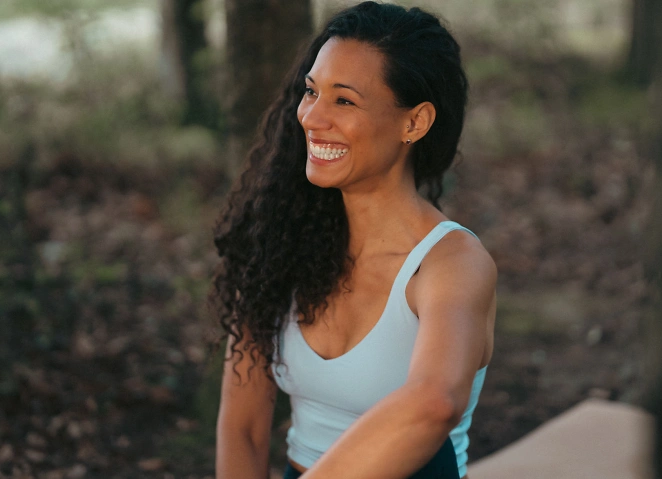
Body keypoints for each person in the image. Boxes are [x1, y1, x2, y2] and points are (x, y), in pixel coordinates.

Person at [212, 2, 496, 478]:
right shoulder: (279, 242)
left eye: (343, 100)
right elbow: (243, 429)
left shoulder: (451, 262)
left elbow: (435, 402)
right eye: (311, 91)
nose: (311, 117)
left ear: (414, 123)